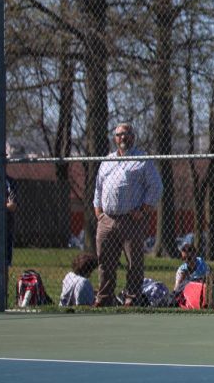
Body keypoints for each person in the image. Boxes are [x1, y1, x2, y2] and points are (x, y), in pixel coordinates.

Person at [93, 123, 162, 307]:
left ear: (133, 136)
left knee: (134, 263)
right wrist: (99, 213)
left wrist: (143, 210)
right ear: (114, 138)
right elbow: (98, 189)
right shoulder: (107, 160)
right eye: (119, 134)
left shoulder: (142, 160)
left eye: (126, 134)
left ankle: (131, 298)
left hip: (132, 220)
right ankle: (105, 298)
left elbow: (156, 187)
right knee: (105, 263)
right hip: (106, 220)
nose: (122, 137)